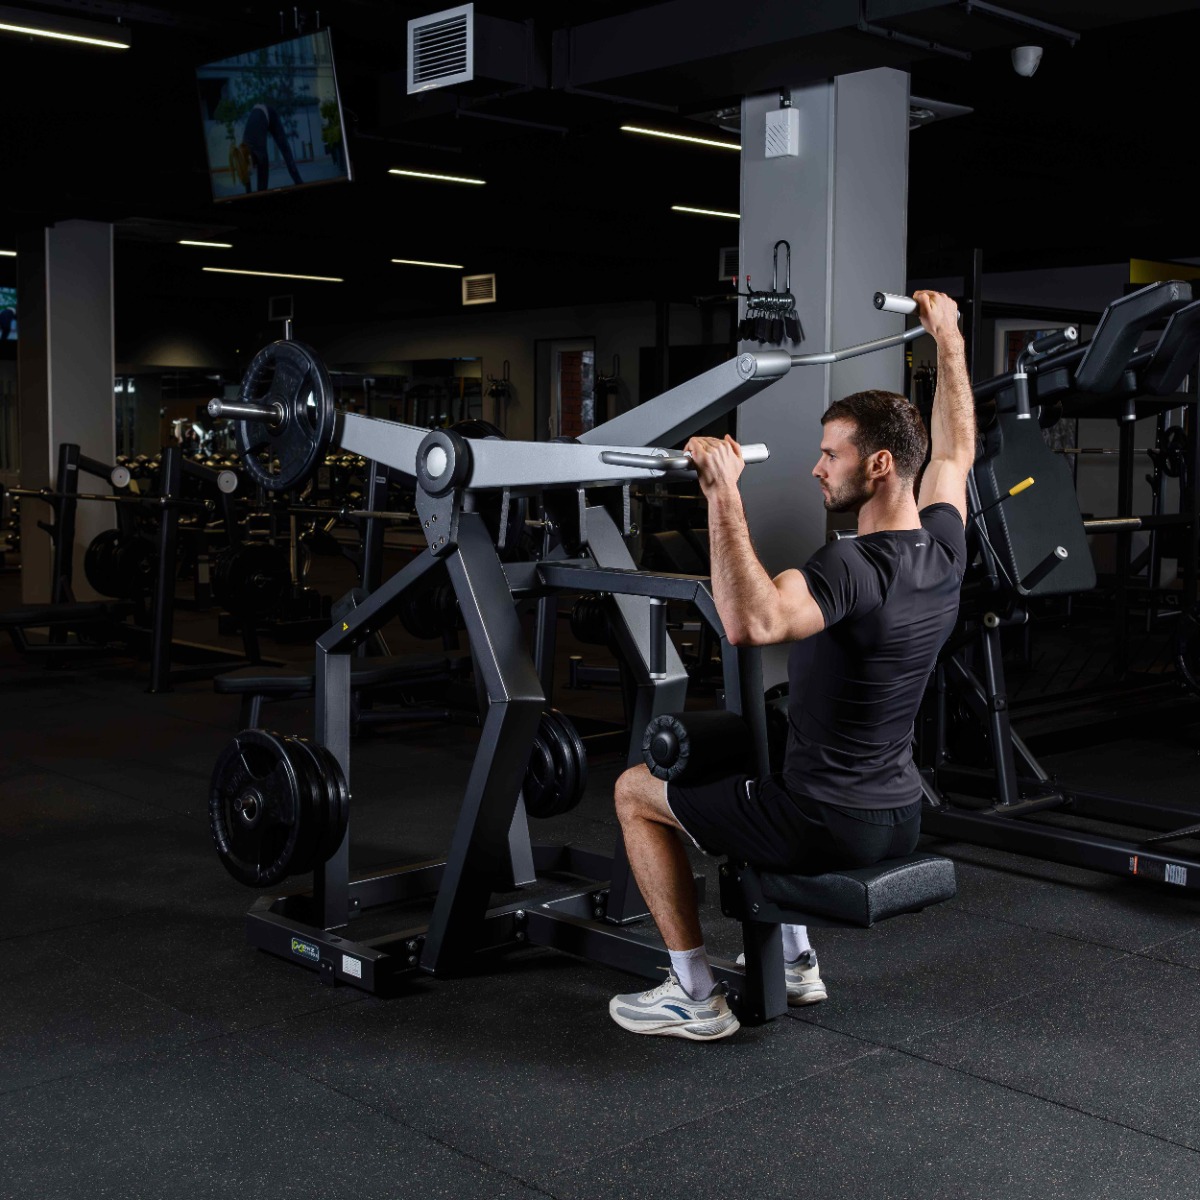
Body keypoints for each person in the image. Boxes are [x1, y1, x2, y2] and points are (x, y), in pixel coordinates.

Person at [607, 290, 974, 1040]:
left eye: (831, 455)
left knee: (635, 790)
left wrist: (722, 493)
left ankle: (692, 993)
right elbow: (955, 449)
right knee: (763, 748)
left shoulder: (851, 567)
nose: (817, 469)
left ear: (878, 465)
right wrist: (950, 342)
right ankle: (798, 960)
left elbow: (752, 623)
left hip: (822, 822)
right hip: (900, 815)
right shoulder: (943, 546)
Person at [237, 103, 303, 193]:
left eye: (249, 172)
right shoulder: (243, 151)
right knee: (255, 165)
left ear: (249, 158)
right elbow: (246, 176)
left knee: (285, 149)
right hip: (257, 116)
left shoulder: (259, 149)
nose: (249, 173)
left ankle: (299, 183)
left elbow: (263, 176)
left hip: (269, 113)